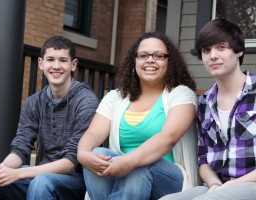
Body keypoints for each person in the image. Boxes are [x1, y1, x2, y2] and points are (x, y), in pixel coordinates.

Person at [160, 18, 256, 200]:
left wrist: (232, 186)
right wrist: (215, 183)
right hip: (221, 186)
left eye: (221, 48)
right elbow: (203, 160)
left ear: (239, 50)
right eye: (206, 50)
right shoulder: (204, 102)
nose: (213, 56)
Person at [77, 32, 200, 200]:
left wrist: (129, 161)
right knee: (97, 154)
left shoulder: (180, 94)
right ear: (134, 62)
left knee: (140, 164)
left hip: (169, 182)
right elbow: (93, 133)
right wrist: (83, 153)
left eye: (158, 55)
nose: (150, 60)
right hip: (124, 178)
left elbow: (168, 137)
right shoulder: (116, 97)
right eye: (143, 55)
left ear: (169, 62)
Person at [0, 36, 99, 200]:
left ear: (73, 65)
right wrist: (2, 170)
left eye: (63, 60)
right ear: (41, 63)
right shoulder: (34, 102)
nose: (56, 66)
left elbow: (70, 163)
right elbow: (21, 147)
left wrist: (18, 173)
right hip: (41, 176)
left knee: (41, 182)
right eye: (50, 59)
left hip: (77, 181)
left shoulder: (86, 101)